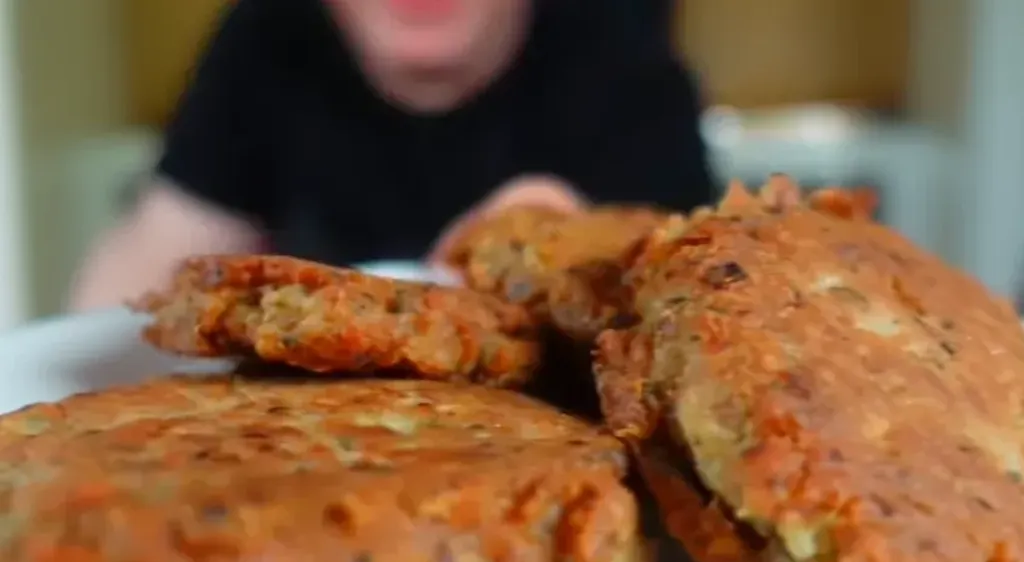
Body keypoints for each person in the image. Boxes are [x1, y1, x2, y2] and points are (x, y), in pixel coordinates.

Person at [69, 0, 716, 311]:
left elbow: (689, 288)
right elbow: (155, 249)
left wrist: (561, 248)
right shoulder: (265, 39)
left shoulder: (622, 51)